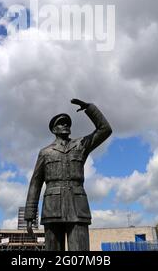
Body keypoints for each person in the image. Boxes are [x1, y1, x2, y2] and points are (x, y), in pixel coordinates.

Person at [24, 98, 112, 251]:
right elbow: (35, 183)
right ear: (53, 129)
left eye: (67, 123)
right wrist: (30, 215)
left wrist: (90, 109)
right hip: (52, 209)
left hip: (78, 209)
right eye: (61, 123)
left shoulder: (81, 145)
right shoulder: (45, 152)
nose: (65, 125)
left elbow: (105, 129)